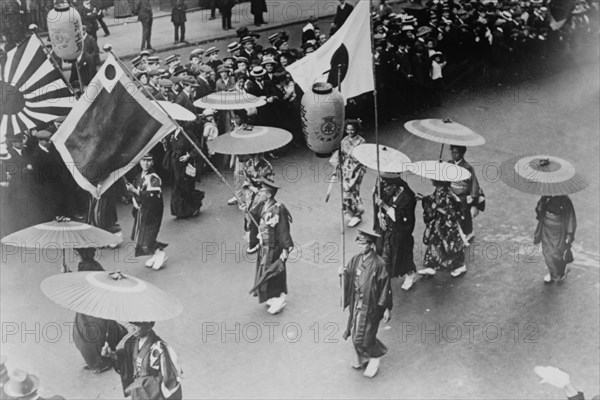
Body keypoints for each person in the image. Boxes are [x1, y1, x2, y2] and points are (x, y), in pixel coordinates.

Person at [339, 228, 392, 379]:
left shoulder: (379, 263)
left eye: (363, 244)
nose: (360, 246)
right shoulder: (356, 259)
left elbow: (385, 286)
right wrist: (343, 274)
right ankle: (362, 357)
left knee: (366, 336)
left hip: (372, 305)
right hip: (358, 303)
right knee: (356, 333)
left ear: (371, 245)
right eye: (359, 243)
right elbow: (349, 275)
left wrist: (387, 307)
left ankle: (375, 357)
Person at [102, 322, 182, 400]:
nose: (133, 327)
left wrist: (141, 384)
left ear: (149, 326)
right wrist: (112, 355)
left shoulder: (159, 349)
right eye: (131, 323)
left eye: (137, 325)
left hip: (151, 395)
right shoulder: (131, 341)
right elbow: (126, 360)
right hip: (137, 392)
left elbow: (169, 380)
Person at [73, 248, 120, 374]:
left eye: (77, 252)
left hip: (92, 308)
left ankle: (98, 362)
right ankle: (95, 360)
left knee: (88, 337)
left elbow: (86, 285)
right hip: (88, 306)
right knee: (85, 336)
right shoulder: (86, 264)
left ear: (83, 253)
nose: (74, 254)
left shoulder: (90, 267)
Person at [251, 178, 294, 315]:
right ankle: (270, 296)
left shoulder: (278, 209)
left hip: (275, 247)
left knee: (274, 272)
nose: (259, 192)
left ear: (269, 194)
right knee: (264, 271)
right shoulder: (262, 205)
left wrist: (286, 249)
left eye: (262, 190)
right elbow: (253, 215)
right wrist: (244, 210)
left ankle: (279, 298)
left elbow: (283, 230)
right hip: (264, 245)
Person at [373, 176, 418, 290]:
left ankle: (410, 274)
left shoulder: (408, 198)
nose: (385, 189)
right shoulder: (388, 192)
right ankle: (383, 275)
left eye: (388, 186)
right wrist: (381, 217)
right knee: (383, 253)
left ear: (395, 186)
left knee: (402, 258)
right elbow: (381, 209)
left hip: (401, 232)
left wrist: (384, 206)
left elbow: (402, 217)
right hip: (387, 230)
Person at [126, 154, 168, 270]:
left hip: (152, 212)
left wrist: (134, 190)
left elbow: (152, 197)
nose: (146, 163)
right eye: (144, 160)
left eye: (149, 161)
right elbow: (133, 193)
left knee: (148, 237)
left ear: (153, 162)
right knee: (140, 236)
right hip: (141, 211)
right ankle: (156, 254)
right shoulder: (138, 176)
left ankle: (160, 254)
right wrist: (134, 200)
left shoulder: (154, 178)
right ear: (140, 162)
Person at [419, 180, 468, 277]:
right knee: (434, 242)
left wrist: (436, 207)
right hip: (439, 222)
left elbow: (451, 212)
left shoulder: (448, 195)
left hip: (447, 224)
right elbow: (433, 200)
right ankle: (431, 266)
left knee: (451, 245)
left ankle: (460, 266)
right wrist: (424, 198)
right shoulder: (439, 190)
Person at [534, 195, 576, 283]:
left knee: (557, 253)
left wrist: (569, 233)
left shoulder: (565, 200)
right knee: (547, 252)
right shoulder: (544, 198)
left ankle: (560, 272)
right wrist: (540, 208)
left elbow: (570, 217)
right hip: (546, 229)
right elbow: (540, 213)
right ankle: (553, 273)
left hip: (559, 231)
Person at [449, 145, 485, 242]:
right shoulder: (448, 164)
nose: (453, 155)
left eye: (456, 153)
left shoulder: (468, 167)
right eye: (452, 152)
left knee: (464, 215)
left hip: (462, 195)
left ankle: (468, 233)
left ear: (462, 153)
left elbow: (474, 184)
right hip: (451, 193)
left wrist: (473, 199)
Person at [242, 153, 274, 254]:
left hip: (263, 193)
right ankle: (253, 239)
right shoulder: (248, 164)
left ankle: (255, 241)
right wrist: (252, 188)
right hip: (251, 192)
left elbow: (270, 183)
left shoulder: (267, 166)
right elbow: (246, 180)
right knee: (249, 216)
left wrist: (260, 190)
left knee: (259, 216)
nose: (257, 156)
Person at [339, 119, 366, 227]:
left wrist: (355, 171)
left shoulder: (361, 141)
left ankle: (357, 214)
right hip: (346, 168)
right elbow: (341, 155)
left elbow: (362, 157)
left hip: (357, 169)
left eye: (352, 130)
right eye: (348, 130)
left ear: (356, 129)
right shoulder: (344, 140)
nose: (350, 132)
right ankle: (351, 213)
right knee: (346, 191)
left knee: (352, 191)